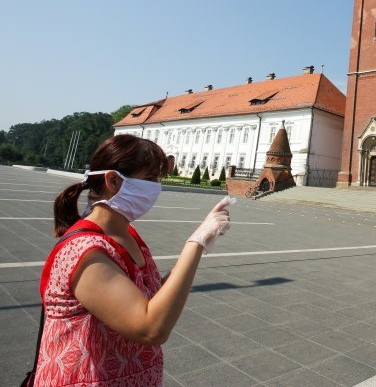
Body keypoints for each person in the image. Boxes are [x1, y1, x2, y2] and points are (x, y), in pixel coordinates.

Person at [34, 134, 231, 386]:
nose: (156, 187)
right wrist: (194, 243)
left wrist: (203, 244)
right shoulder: (86, 251)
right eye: (149, 179)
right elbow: (150, 327)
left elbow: (153, 296)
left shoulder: (127, 236)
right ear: (113, 180)